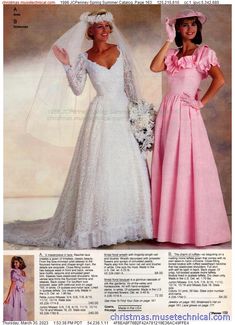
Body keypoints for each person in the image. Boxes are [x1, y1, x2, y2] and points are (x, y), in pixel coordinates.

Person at [4, 10, 152, 249]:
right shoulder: (84, 57)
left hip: (123, 112)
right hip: (101, 114)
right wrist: (66, 66)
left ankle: (131, 223)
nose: (105, 30)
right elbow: (77, 88)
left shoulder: (120, 51)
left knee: (126, 165)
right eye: (100, 27)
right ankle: (98, 228)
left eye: (107, 26)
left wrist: (139, 116)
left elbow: (131, 86)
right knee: (101, 166)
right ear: (90, 31)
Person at [150, 9, 231, 246]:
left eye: (193, 24)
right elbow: (154, 67)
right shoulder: (173, 54)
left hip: (186, 113)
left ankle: (193, 228)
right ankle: (169, 228)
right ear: (177, 29)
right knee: (170, 166)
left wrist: (200, 102)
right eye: (184, 25)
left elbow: (220, 79)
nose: (190, 29)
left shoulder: (204, 53)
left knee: (188, 165)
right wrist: (167, 40)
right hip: (167, 113)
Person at [4, 256, 27, 321]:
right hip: (15, 294)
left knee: (19, 310)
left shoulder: (23, 272)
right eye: (14, 263)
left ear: (20, 263)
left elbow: (23, 284)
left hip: (21, 294)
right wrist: (7, 298)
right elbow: (12, 285)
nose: (14, 264)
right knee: (13, 310)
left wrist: (22, 289)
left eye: (16, 262)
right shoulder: (13, 272)